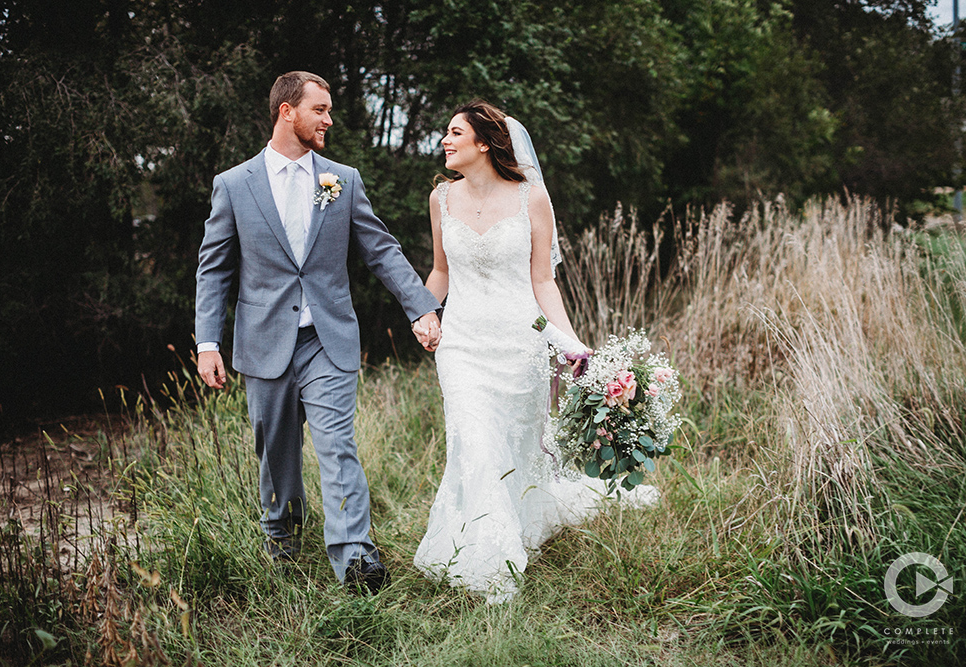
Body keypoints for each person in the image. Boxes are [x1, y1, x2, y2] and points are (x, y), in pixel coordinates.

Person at [195, 71, 442, 594]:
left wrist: (420, 307)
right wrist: (208, 342)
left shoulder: (342, 179)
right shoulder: (234, 185)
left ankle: (356, 559)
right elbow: (214, 269)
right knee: (276, 453)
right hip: (263, 342)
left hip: (327, 341)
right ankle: (282, 541)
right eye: (320, 110)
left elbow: (381, 249)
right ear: (287, 111)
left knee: (338, 445)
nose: (329, 120)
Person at [413, 100, 658, 603]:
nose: (445, 140)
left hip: (519, 342)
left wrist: (573, 347)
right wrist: (424, 311)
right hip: (461, 345)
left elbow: (543, 282)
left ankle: (518, 522)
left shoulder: (531, 199)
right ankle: (491, 562)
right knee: (475, 442)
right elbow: (441, 272)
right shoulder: (441, 199)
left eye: (454, 132)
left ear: (483, 143)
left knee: (514, 448)